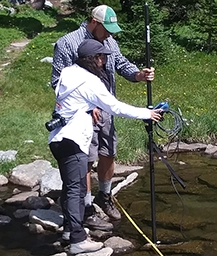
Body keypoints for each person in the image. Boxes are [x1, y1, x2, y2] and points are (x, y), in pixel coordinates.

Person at [48, 39, 162, 254]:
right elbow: (115, 107)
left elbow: (75, 101)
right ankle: (78, 240)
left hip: (58, 139)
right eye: (102, 57)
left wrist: (89, 108)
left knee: (72, 186)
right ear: (93, 59)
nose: (104, 61)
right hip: (73, 140)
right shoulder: (89, 82)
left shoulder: (69, 73)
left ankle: (69, 231)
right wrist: (147, 113)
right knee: (76, 190)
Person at [50, 4, 155, 226]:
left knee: (108, 152)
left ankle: (104, 196)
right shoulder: (67, 43)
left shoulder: (110, 42)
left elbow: (122, 65)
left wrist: (138, 75)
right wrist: (90, 104)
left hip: (106, 109)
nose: (109, 34)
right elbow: (57, 82)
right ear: (94, 22)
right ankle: (87, 208)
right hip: (82, 115)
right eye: (106, 29)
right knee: (86, 159)